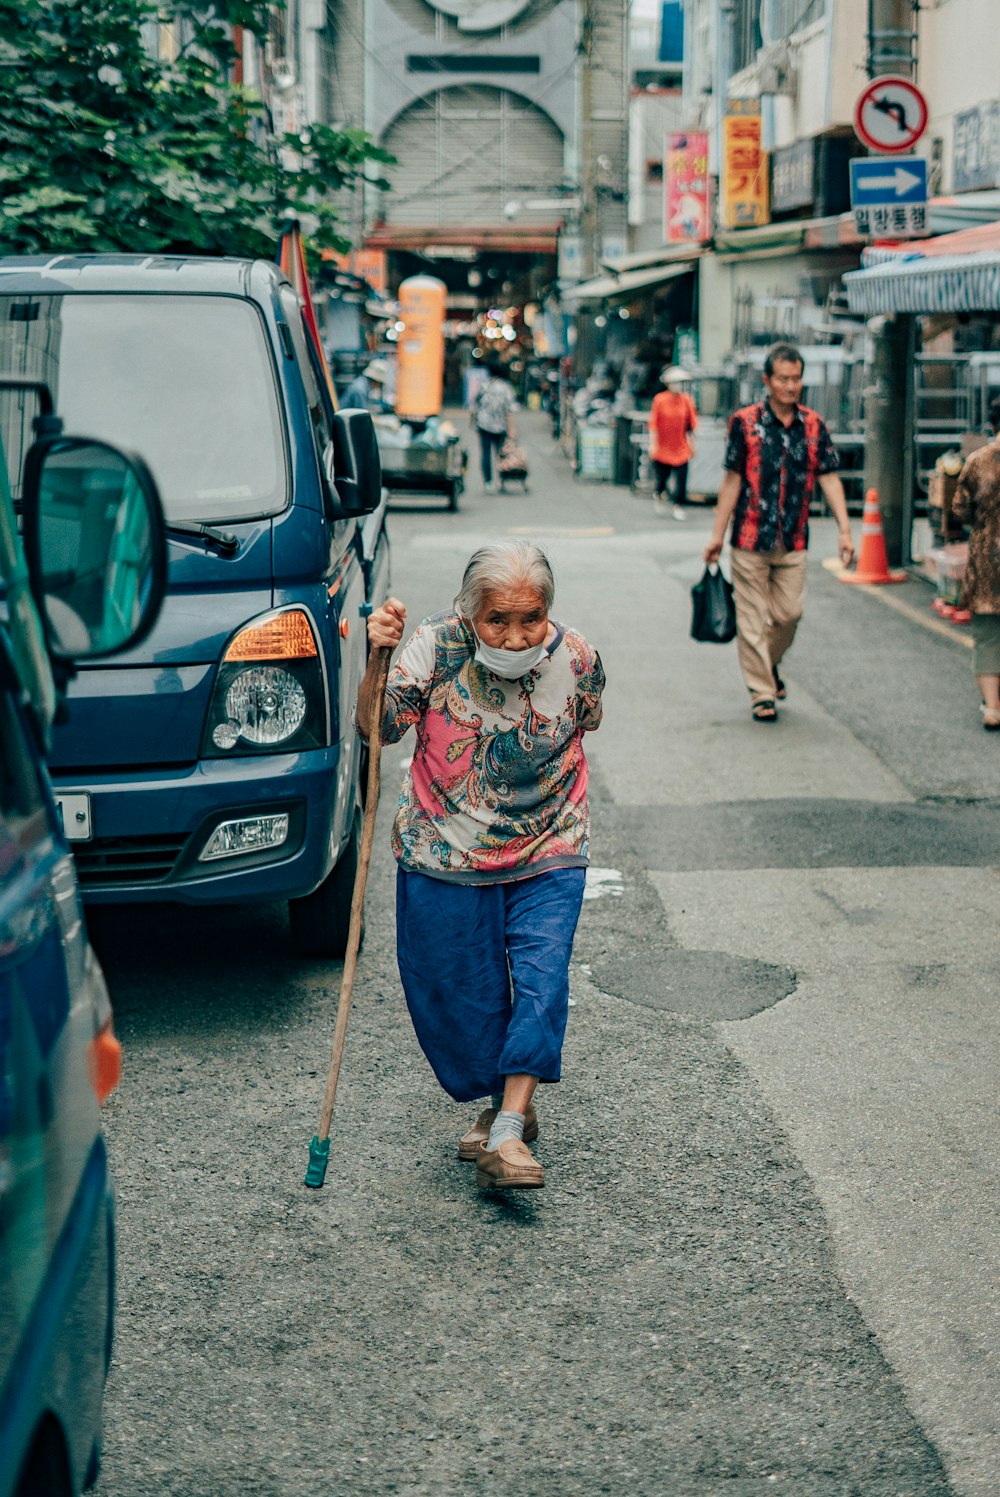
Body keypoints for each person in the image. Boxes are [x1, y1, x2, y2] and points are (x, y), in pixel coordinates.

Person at [357, 541, 605, 1191]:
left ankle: (507, 1130)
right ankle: (503, 1104)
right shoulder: (435, 647)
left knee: (542, 976)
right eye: (499, 619)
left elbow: (588, 720)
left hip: (549, 839)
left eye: (533, 617)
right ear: (470, 613)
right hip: (446, 846)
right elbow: (377, 728)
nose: (518, 636)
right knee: (458, 992)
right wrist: (377, 658)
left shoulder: (577, 656)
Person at [704, 342, 855, 723]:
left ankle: (767, 666)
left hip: (793, 540)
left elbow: (830, 479)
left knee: (790, 614)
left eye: (796, 378)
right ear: (767, 380)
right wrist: (716, 536)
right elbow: (732, 481)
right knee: (751, 621)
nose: (790, 385)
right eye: (783, 378)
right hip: (750, 540)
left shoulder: (814, 425)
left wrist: (845, 530)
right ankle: (762, 693)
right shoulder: (745, 422)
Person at [953, 397, 1000, 730]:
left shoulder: (978, 461)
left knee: (987, 635)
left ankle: (992, 708)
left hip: (987, 556)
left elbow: (959, 508)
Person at [648, 365, 697, 519]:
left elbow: (691, 425)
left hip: (681, 446)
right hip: (663, 446)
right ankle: (659, 493)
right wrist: (653, 444)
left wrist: (692, 444)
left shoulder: (687, 400)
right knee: (663, 477)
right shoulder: (660, 400)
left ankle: (679, 505)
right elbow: (654, 424)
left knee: (681, 478)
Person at [473, 360, 517, 492]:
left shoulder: (484, 385)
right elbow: (510, 409)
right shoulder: (506, 387)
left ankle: (488, 482)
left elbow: (476, 405)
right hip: (501, 425)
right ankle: (501, 481)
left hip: (484, 424)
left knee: (485, 453)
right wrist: (512, 429)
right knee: (501, 454)